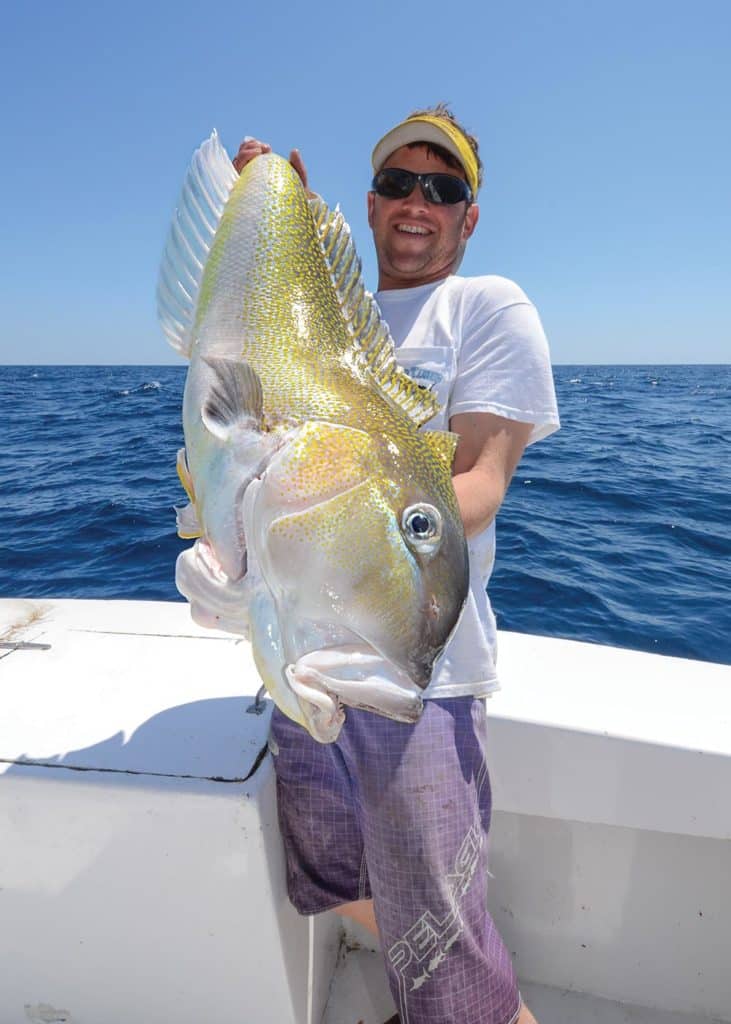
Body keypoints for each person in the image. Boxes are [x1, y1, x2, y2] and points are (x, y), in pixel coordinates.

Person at [233, 106, 559, 1024]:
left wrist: (346, 524)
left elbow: (479, 484)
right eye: (396, 184)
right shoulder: (324, 318)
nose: (417, 202)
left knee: (443, 941)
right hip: (301, 662)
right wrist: (266, 216)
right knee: (335, 873)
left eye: (443, 188)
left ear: (468, 215)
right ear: (368, 205)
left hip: (418, 674)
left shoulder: (486, 308)